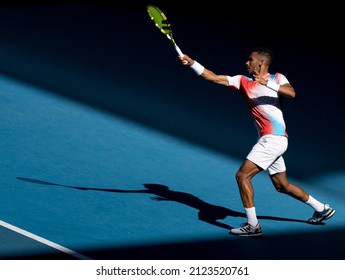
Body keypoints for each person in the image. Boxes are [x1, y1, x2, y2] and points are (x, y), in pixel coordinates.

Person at [179, 47, 335, 237]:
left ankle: (253, 226)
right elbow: (213, 77)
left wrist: (267, 84)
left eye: (250, 59)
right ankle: (322, 208)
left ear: (261, 63)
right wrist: (193, 63)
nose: (246, 62)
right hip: (273, 141)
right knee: (281, 185)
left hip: (272, 140)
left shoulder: (277, 78)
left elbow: (291, 93)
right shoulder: (242, 81)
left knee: (242, 176)